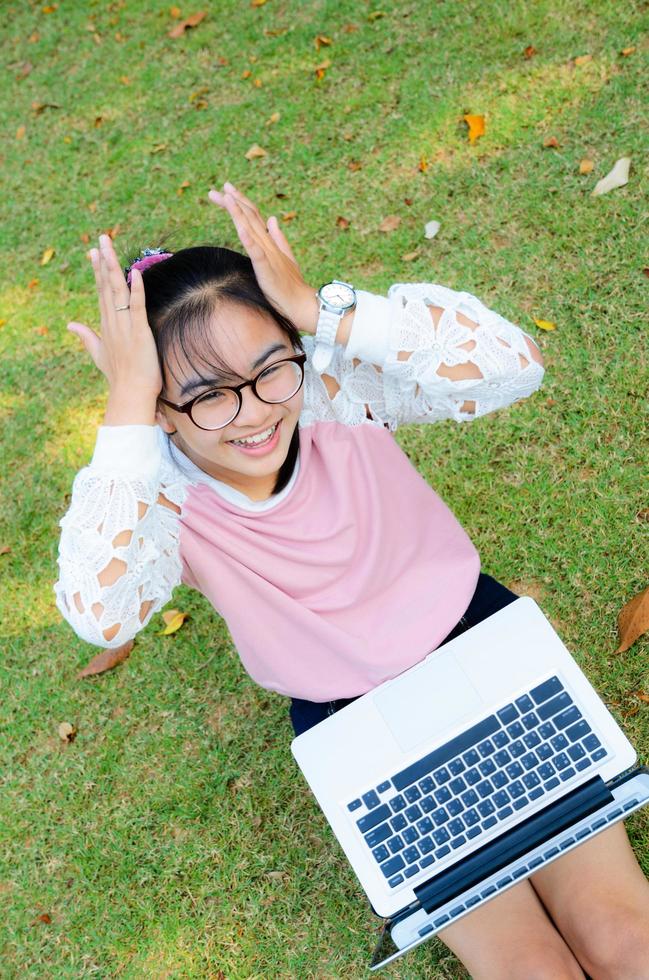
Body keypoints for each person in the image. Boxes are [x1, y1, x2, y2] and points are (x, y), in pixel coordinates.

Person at [55, 183, 649, 979]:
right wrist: (127, 407)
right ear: (158, 410)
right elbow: (101, 612)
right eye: (203, 397)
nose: (255, 412)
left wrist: (321, 311)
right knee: (529, 972)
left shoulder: (333, 393)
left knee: (626, 941)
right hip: (358, 729)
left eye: (270, 368)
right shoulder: (157, 493)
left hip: (484, 650)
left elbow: (515, 367)